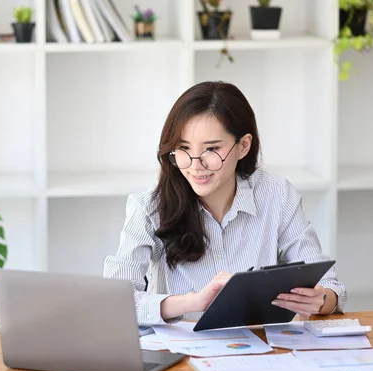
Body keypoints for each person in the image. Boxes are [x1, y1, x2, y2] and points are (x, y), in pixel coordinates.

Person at [103, 81, 346, 326]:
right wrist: (195, 302)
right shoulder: (148, 207)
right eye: (183, 148)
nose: (195, 165)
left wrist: (321, 299)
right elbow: (115, 303)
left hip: (262, 347)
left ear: (243, 146)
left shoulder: (277, 194)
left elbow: (330, 287)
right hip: (184, 352)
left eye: (211, 149)